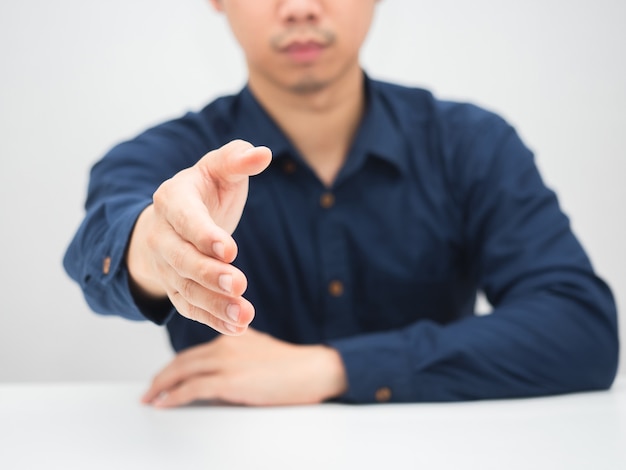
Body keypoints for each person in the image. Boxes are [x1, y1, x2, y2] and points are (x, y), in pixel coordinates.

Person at [63, 0, 619, 407]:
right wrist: (155, 250)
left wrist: (332, 369)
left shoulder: (470, 144)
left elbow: (580, 327)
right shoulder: (174, 154)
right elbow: (104, 240)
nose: (301, 8)